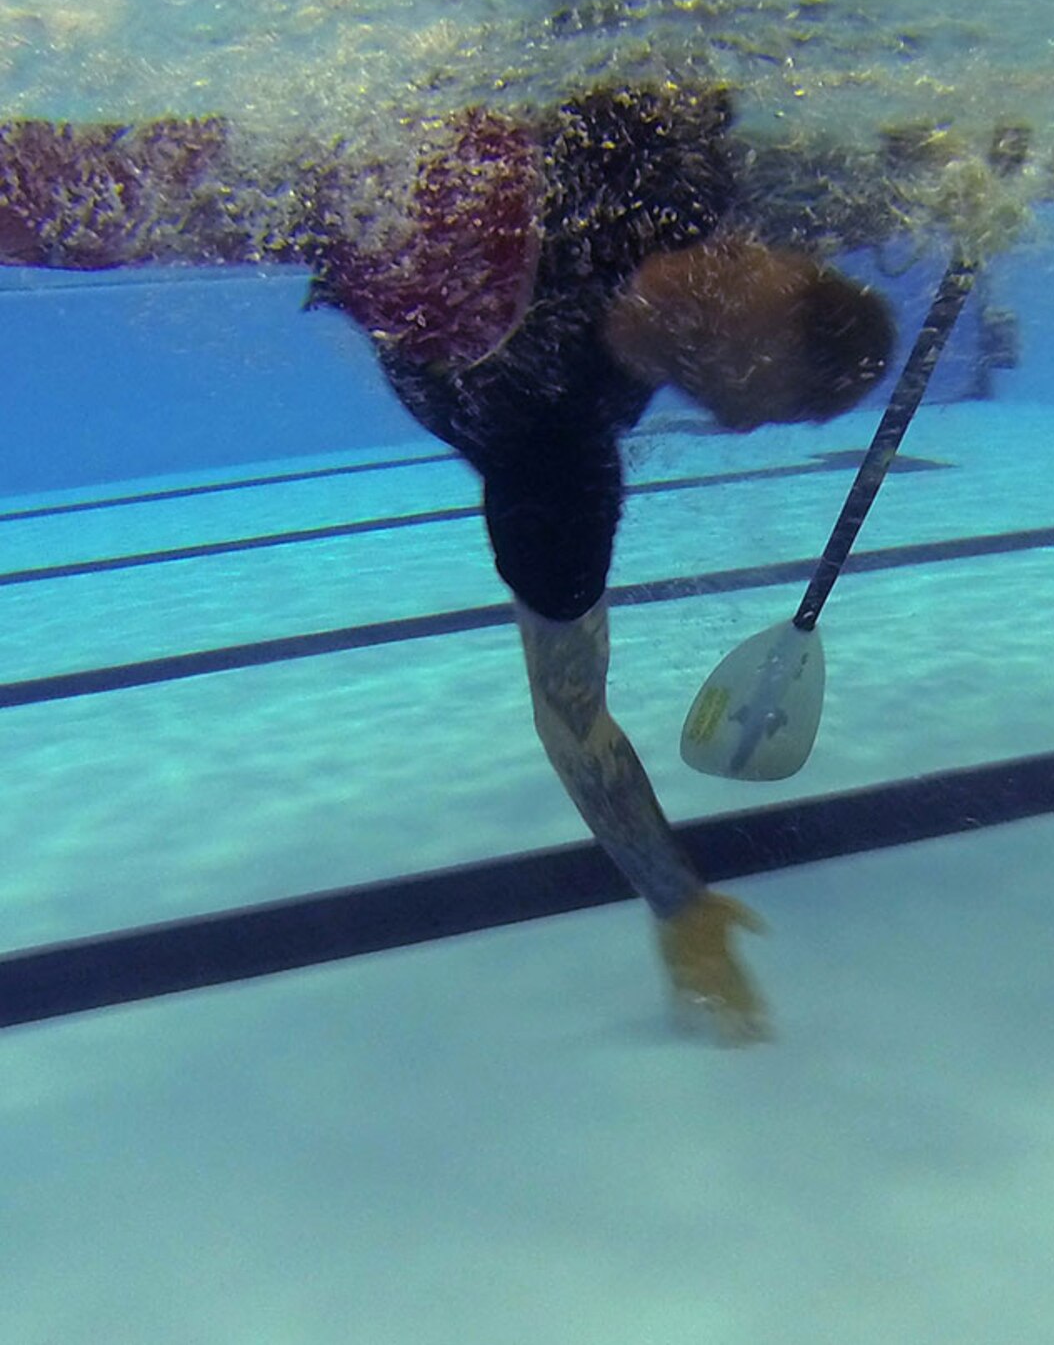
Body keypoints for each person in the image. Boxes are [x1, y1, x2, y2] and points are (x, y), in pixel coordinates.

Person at [0, 81, 897, 1040]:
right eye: (728, 261)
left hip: (332, 231)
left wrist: (678, 904)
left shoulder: (557, 469)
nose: (695, 275)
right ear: (762, 245)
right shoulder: (667, 164)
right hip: (405, 166)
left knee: (98, 204)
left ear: (732, 400)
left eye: (714, 323)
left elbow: (575, 718)